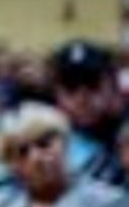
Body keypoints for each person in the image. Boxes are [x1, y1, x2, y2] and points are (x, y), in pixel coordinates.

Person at [51, 38, 124, 186]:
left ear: (113, 86)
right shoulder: (50, 147)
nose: (81, 98)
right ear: (57, 93)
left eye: (92, 84)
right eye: (70, 86)